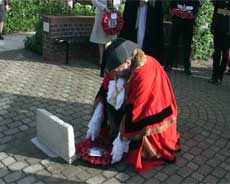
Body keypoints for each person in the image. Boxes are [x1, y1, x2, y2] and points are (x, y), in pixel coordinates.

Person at [84, 38, 181, 172]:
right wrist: (96, 120)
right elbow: (105, 89)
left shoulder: (144, 74)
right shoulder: (119, 67)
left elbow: (136, 111)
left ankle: (125, 139)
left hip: (152, 107)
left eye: (117, 71)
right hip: (136, 105)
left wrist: (121, 142)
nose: (114, 74)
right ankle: (117, 132)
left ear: (128, 62)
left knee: (139, 136)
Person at [164, 0, 200, 75]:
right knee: (173, 42)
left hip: (188, 20)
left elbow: (197, 4)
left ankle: (187, 67)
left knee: (187, 44)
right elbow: (172, 3)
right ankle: (168, 64)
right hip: (178, 18)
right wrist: (173, 9)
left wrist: (193, 13)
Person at [90, 0, 122, 65]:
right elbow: (94, 1)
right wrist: (104, 8)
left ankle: (109, 58)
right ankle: (102, 59)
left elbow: (119, 1)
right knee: (101, 38)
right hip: (101, 13)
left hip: (113, 14)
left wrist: (116, 7)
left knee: (112, 37)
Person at [208, 0, 230, 85]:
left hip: (228, 33)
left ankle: (220, 77)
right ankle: (214, 75)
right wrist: (213, 25)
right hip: (219, 29)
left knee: (225, 55)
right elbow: (215, 11)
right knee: (217, 53)